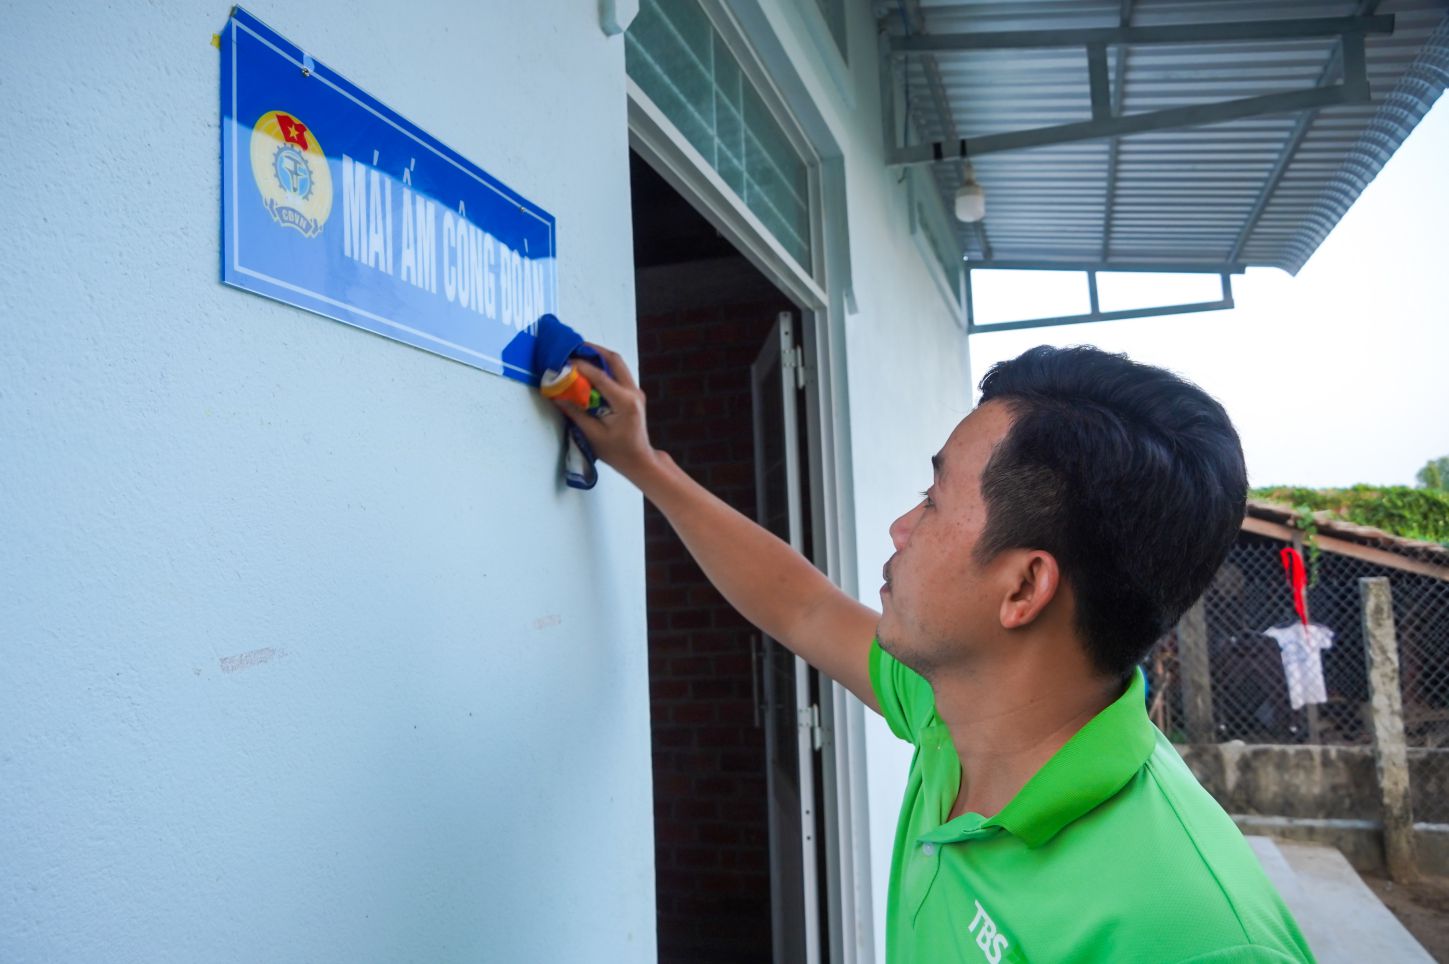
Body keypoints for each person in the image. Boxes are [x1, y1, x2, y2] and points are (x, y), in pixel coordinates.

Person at [553, 343, 1313, 963]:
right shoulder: (956, 717)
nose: (899, 527)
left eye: (934, 499)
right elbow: (804, 606)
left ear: (1023, 588)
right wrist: (641, 461)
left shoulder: (1195, 934)